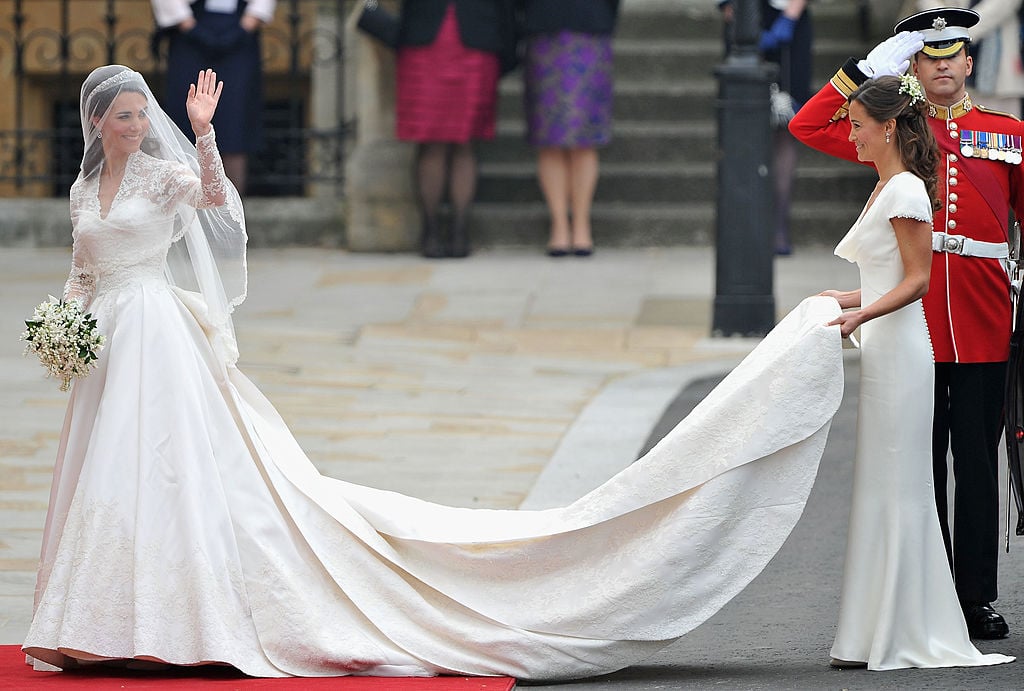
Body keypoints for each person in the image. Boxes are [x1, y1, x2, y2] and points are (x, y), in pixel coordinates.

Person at [22, 65, 854, 678]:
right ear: (97, 124)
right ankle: (98, 615)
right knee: (105, 472)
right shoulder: (83, 189)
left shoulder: (169, 170)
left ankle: (179, 615)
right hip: (108, 341)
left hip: (163, 335)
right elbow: (81, 268)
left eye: (140, 114)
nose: (133, 124)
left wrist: (203, 131)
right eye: (121, 117)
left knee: (169, 467)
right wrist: (66, 325)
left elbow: (214, 202)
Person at [789, 7, 1024, 641]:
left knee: (976, 464)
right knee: (922, 465)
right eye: (929, 56)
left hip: (980, 318)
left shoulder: (1008, 132)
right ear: (915, 69)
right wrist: (864, 69)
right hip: (914, 321)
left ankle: (975, 596)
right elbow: (808, 125)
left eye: (954, 55)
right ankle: (933, 589)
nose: (944, 64)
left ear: (970, 63)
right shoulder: (901, 134)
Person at [395, 0, 517, 259]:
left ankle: (460, 230)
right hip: (424, 45)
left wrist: (508, 50)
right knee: (432, 141)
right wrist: (370, 11)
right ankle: (429, 230)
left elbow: (507, 8)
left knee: (465, 142)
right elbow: (370, 2)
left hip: (477, 47)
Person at [517, 0, 620, 257]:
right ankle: (559, 225)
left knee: (585, 137)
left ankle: (582, 224)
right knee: (548, 137)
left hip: (590, 30)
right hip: (544, 32)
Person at [151, 0, 276, 196]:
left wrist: (243, 29)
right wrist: (191, 28)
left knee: (234, 126)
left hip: (239, 41)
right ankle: (186, 211)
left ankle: (231, 213)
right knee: (186, 123)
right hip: (189, 40)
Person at [719, 0, 813, 255]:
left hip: (790, 22)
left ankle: (778, 228)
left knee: (786, 128)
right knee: (744, 127)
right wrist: (739, 22)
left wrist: (791, 16)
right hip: (743, 24)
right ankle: (746, 226)